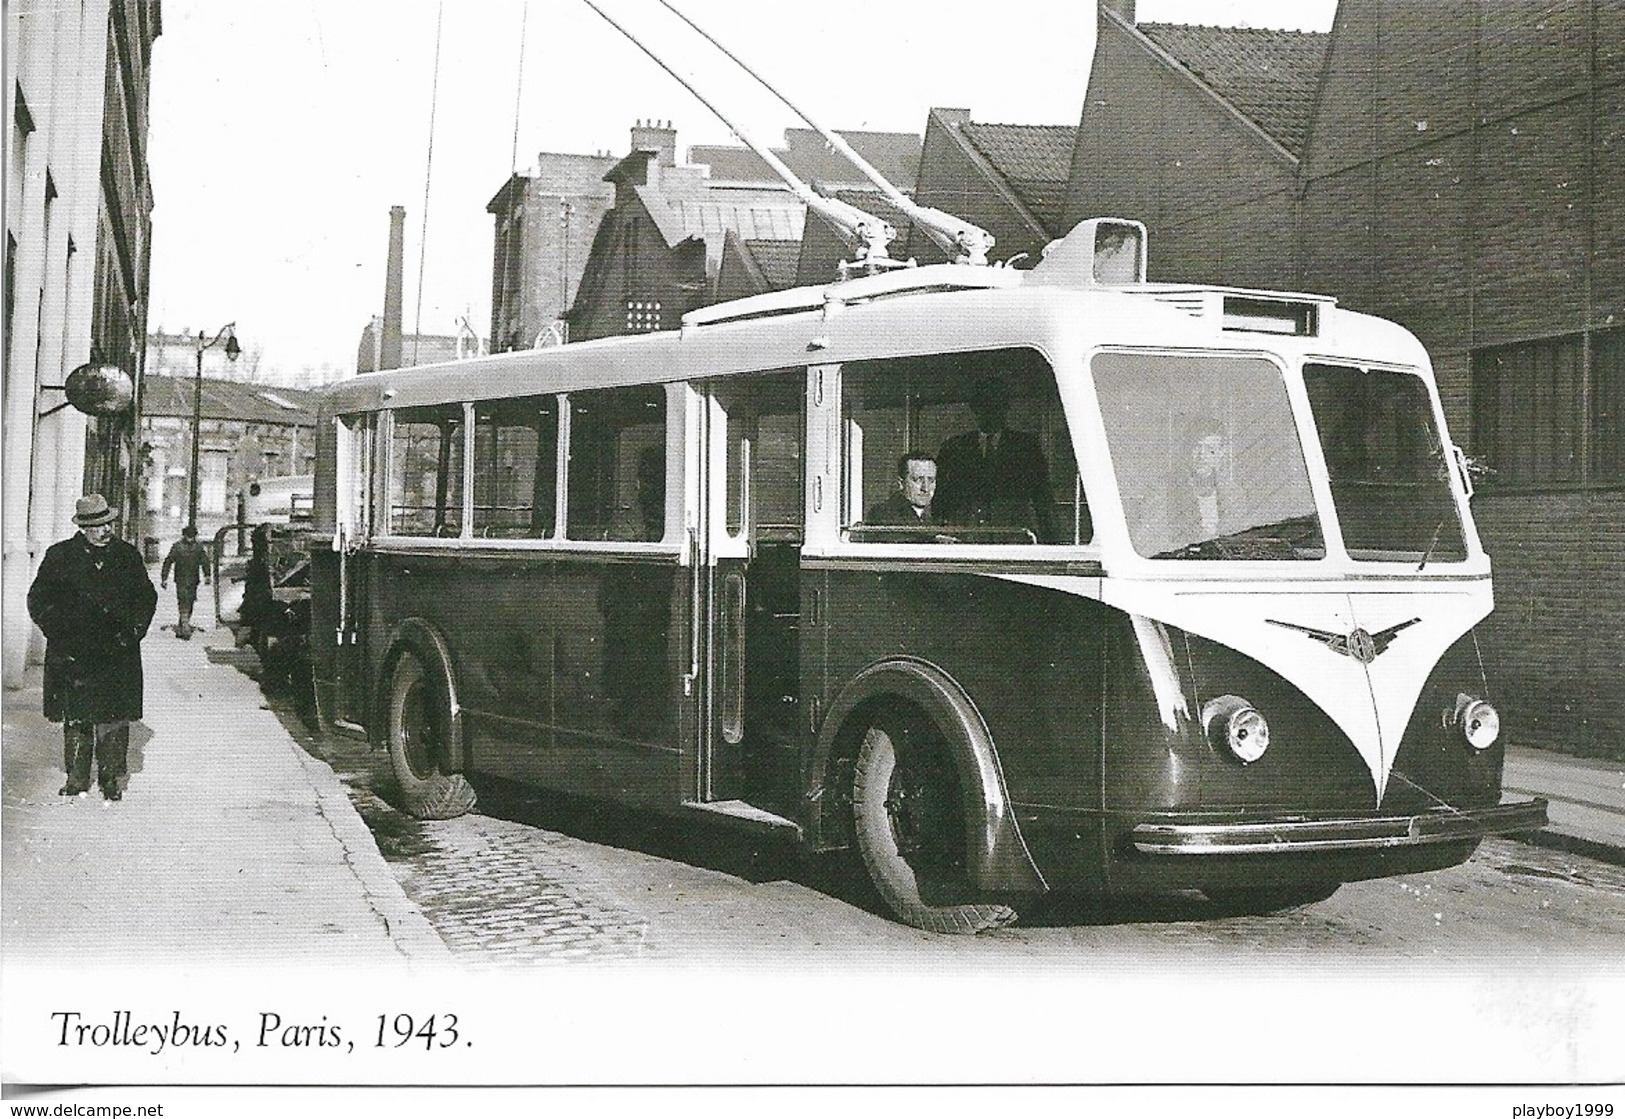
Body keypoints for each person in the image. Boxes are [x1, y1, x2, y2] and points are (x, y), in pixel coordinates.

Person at [26, 494, 158, 801]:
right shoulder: (60, 556)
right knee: (76, 716)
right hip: (74, 652)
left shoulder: (127, 556)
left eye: (108, 523)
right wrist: (58, 633)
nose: (106, 530)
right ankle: (77, 779)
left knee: (113, 717)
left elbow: (146, 598)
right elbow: (38, 599)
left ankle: (111, 779)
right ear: (83, 527)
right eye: (98, 526)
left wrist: (134, 632)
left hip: (117, 651)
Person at [935, 376, 1056, 541]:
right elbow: (940, 500)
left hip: (1012, 539)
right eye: (983, 405)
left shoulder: (1026, 447)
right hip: (967, 539)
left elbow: (1043, 499)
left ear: (1006, 407)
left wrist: (1051, 544)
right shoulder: (953, 448)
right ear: (974, 408)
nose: (989, 412)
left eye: (995, 405)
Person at [159, 524, 211, 639]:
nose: (190, 538)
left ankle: (183, 624)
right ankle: (185, 626)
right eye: (189, 535)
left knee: (190, 601)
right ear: (184, 535)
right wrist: (164, 578)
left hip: (193, 580)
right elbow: (168, 562)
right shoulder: (177, 547)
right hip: (181, 579)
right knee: (183, 600)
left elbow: (205, 561)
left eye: (192, 536)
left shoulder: (198, 547)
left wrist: (207, 575)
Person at [865, 452, 939, 525]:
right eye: (918, 480)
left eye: (931, 480)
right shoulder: (883, 515)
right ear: (901, 483)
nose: (925, 488)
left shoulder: (938, 516)